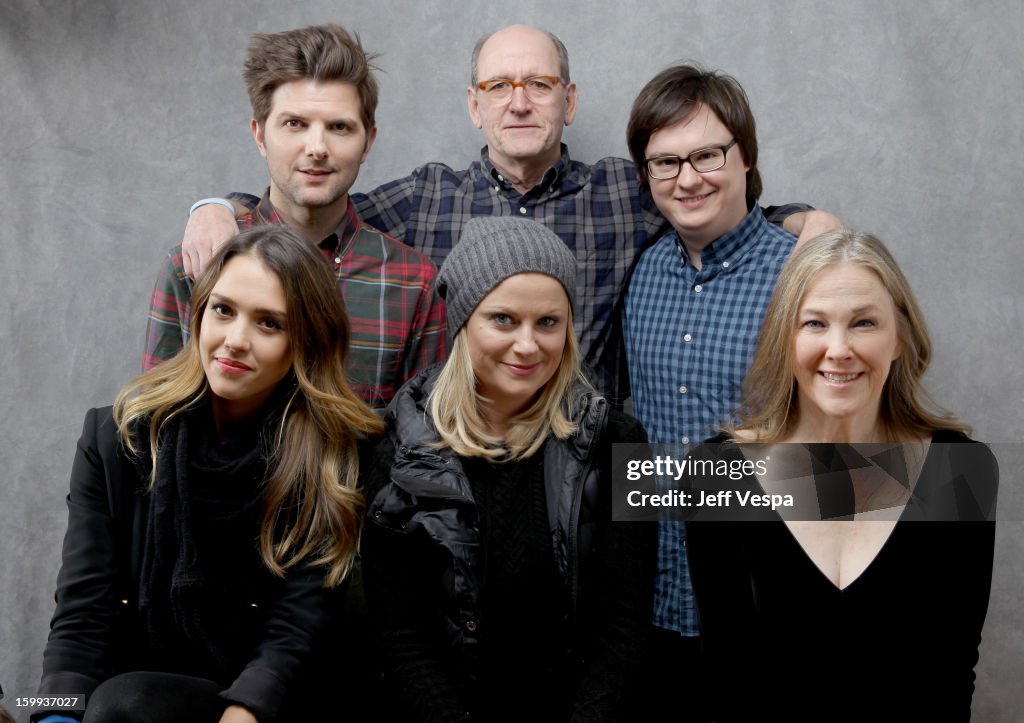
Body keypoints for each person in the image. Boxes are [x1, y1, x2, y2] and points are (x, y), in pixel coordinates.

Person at [181, 24, 834, 404]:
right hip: (453, 461)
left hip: (589, 467)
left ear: (569, 100)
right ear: (475, 104)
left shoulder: (625, 196)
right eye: (500, 86)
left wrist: (803, 222)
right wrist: (221, 207)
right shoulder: (425, 199)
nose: (519, 102)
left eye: (539, 85)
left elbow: (714, 200)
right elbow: (313, 209)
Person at [37, 226, 384, 723]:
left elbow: (296, 630)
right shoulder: (119, 438)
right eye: (223, 310)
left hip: (276, 698)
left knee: (124, 702)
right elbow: (81, 612)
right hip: (138, 692)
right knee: (82, 704)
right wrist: (53, 715)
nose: (235, 341)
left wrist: (244, 711)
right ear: (199, 313)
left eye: (269, 324)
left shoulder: (335, 453)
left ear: (304, 342)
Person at [685, 228, 998, 722]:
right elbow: (728, 674)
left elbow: (952, 674)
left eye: (864, 323)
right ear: (785, 339)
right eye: (814, 324)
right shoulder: (715, 473)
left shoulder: (960, 470)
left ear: (900, 338)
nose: (839, 349)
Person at [360, 217, 655, 722]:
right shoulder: (400, 443)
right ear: (463, 323)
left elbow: (623, 629)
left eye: (548, 322)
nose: (527, 345)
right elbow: (400, 635)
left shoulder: (619, 440)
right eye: (502, 319)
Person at [620, 64, 840, 719]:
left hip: (774, 609)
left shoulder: (807, 275)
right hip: (655, 604)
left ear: (745, 156)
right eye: (665, 162)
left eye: (707, 154)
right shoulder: (644, 271)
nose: (687, 178)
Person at [144, 23, 445, 409]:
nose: (316, 147)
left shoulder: (413, 284)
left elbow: (420, 447)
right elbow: (156, 426)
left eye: (339, 127)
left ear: (367, 141)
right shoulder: (197, 262)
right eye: (294, 124)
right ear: (259, 135)